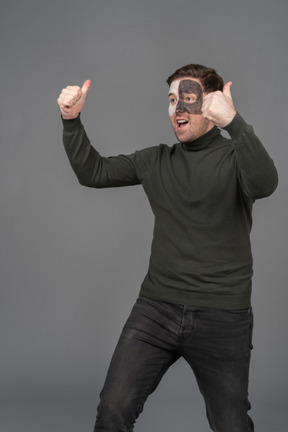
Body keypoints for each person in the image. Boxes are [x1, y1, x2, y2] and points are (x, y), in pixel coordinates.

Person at [57, 64, 278, 432]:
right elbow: (92, 172)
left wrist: (234, 122)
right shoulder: (156, 160)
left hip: (222, 315)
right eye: (172, 100)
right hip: (156, 310)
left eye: (188, 99)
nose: (178, 109)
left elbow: (266, 182)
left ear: (210, 105)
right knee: (112, 411)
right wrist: (71, 121)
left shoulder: (236, 157)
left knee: (231, 425)